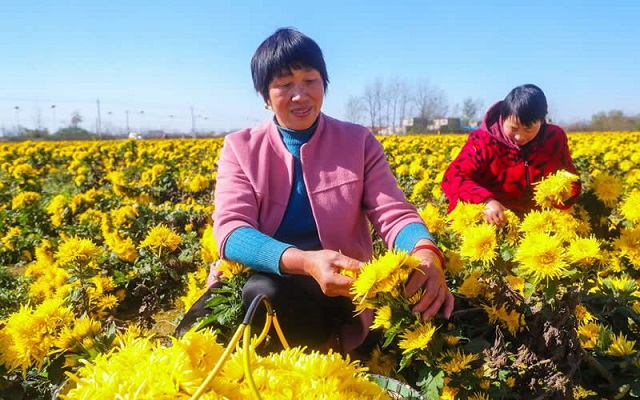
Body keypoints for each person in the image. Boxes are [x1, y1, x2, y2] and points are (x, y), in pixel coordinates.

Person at [208, 27, 454, 355]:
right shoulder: (240, 148)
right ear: (265, 96)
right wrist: (305, 261)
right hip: (258, 279)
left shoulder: (357, 142)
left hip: (344, 288)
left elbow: (393, 213)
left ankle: (329, 347)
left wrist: (426, 253)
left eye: (310, 80)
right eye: (284, 85)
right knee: (197, 337)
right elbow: (231, 232)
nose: (301, 95)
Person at [441, 84, 582, 226]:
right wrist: (485, 201)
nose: (520, 137)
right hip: (494, 226)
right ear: (503, 118)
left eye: (528, 130)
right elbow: (453, 178)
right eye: (513, 128)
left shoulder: (554, 138)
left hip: (543, 228)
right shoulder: (481, 141)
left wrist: (566, 194)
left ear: (542, 120)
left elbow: (571, 177)